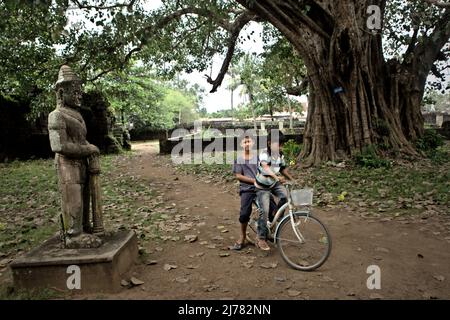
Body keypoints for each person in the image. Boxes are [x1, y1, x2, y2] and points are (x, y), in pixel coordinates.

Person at [230, 132, 276, 251]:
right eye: (244, 142)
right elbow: (238, 176)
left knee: (272, 208)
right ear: (241, 144)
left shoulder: (259, 158)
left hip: (261, 187)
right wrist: (253, 180)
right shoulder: (239, 159)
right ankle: (242, 236)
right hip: (247, 189)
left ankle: (265, 231)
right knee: (244, 213)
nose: (247, 144)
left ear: (253, 143)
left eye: (249, 141)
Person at [254, 130, 295, 251]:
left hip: (274, 183)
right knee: (264, 210)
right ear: (269, 143)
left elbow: (283, 169)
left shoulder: (280, 155)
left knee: (285, 196)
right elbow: (266, 167)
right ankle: (261, 238)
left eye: (281, 144)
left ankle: (274, 218)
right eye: (278, 144)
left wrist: (292, 179)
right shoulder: (264, 154)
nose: (280, 146)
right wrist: (277, 177)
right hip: (262, 186)